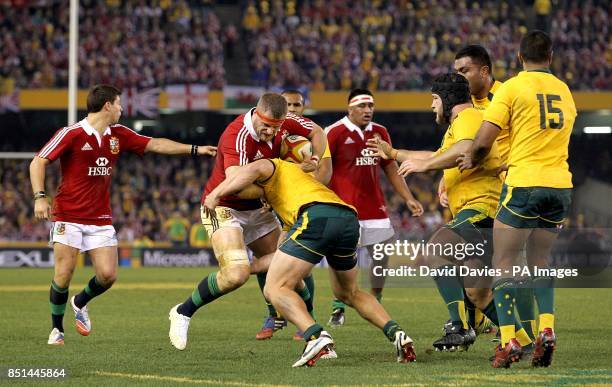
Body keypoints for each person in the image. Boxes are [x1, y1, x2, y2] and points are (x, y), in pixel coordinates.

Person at [30, 84, 217, 345]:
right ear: (107, 105)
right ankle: (56, 330)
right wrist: (40, 197)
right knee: (64, 274)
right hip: (68, 215)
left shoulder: (118, 134)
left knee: (108, 276)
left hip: (100, 218)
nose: (121, 108)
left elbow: (156, 144)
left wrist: (195, 149)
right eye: (118, 103)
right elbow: (38, 161)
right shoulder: (71, 133)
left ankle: (80, 302)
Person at [368, 74, 533, 354]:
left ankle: (458, 326)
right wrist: (394, 153)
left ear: (446, 98)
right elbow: (434, 154)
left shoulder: (468, 117)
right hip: (483, 214)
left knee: (435, 248)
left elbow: (464, 149)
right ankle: (524, 343)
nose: (432, 106)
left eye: (434, 99)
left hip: (482, 209)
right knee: (477, 292)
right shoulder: (458, 126)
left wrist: (427, 167)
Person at [203, 158, 416, 367]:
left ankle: (316, 337)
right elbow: (279, 256)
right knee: (348, 293)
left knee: (275, 288)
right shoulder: (296, 187)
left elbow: (253, 169)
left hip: (316, 215)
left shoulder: (274, 166)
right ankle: (397, 334)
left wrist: (216, 193)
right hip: (347, 219)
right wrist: (242, 269)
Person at [168, 93, 327, 350]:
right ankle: (183, 312)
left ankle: (312, 331)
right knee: (236, 275)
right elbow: (237, 186)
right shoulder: (236, 136)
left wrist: (316, 159)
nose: (270, 133)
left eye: (275, 129)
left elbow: (318, 132)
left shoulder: (284, 123)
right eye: (265, 126)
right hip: (224, 206)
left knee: (294, 268)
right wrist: (279, 186)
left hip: (259, 210)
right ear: (257, 114)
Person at [457, 30, 576, 368]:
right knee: (540, 262)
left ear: (520, 58)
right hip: (560, 186)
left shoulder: (511, 87)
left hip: (524, 182)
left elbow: (483, 140)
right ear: (550, 57)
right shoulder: (565, 90)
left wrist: (472, 160)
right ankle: (547, 330)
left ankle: (509, 339)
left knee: (505, 264)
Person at [455, 45, 537, 343]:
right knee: (474, 265)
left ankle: (528, 333)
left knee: (515, 265)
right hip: (479, 194)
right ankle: (476, 327)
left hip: (510, 188)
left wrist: (501, 165)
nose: (459, 77)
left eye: (464, 71)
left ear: (484, 71)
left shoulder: (508, 93)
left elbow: (525, 140)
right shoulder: (463, 107)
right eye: (457, 72)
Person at [324, 88, 424, 327]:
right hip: (343, 208)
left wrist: (408, 197)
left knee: (380, 257)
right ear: (350, 108)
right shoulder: (334, 133)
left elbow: (390, 168)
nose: (367, 110)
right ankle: (339, 305)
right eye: (362, 106)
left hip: (374, 208)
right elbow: (323, 170)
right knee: (341, 260)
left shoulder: (380, 132)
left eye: (371, 106)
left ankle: (375, 298)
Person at [255, 89, 332, 341]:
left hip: (303, 205)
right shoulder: (273, 136)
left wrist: (304, 193)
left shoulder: (311, 140)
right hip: (278, 204)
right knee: (268, 257)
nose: (293, 109)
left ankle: (306, 317)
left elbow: (325, 173)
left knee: (301, 268)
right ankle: (274, 315)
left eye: (297, 105)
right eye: (288, 105)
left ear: (303, 108)